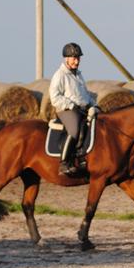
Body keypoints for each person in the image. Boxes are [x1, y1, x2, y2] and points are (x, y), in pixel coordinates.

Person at [49, 42, 98, 175]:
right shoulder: (60, 75)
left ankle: (82, 159)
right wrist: (71, 105)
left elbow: (85, 95)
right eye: (74, 58)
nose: (77, 61)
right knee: (74, 129)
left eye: (78, 58)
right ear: (66, 59)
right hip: (66, 110)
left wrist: (93, 105)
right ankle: (64, 163)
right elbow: (54, 97)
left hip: (81, 109)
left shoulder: (78, 75)